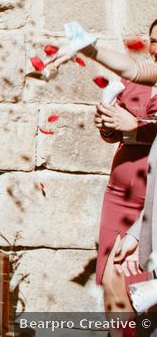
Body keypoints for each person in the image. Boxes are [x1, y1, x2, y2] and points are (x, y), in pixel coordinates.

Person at [94, 19, 157, 313]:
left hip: (150, 197)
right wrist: (106, 125)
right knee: (111, 276)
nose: (155, 48)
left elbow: (136, 128)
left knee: (141, 283)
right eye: (153, 41)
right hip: (118, 193)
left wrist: (136, 128)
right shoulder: (135, 82)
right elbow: (114, 133)